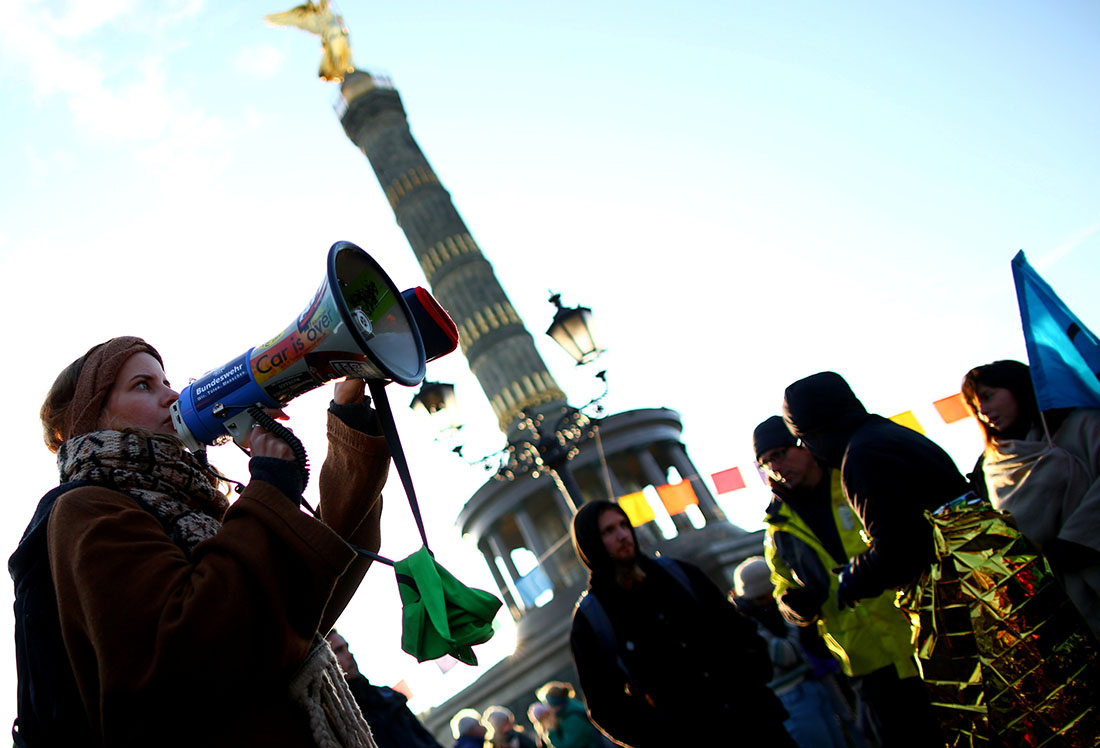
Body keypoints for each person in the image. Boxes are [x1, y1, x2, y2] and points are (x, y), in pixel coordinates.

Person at [12, 336, 391, 747]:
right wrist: (269, 489)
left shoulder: (196, 507)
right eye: (143, 385)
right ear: (90, 418)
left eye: (165, 381)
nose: (171, 396)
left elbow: (304, 598)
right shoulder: (87, 509)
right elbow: (190, 654)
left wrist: (349, 413)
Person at [753, 415, 934, 747]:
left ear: (805, 445)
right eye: (765, 462)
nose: (775, 467)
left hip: (921, 640)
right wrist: (794, 607)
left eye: (780, 452)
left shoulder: (856, 480)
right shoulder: (777, 530)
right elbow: (781, 588)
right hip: (865, 665)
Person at [568, 500, 795, 748]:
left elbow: (739, 630)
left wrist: (752, 677)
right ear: (591, 543)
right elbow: (605, 706)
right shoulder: (592, 619)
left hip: (757, 725)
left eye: (624, 525)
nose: (622, 535)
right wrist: (662, 737)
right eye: (608, 531)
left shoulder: (679, 573)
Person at [782, 371, 970, 606]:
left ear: (814, 433)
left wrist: (855, 576)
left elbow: (900, 550)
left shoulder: (862, 458)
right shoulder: (885, 434)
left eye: (803, 439)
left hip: (963, 592)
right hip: (977, 569)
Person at [961, 359, 1100, 639]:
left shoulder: (1082, 423)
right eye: (976, 406)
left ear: (1017, 387)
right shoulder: (994, 465)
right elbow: (1010, 534)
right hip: (1066, 600)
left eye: (988, 397)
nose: (984, 411)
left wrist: (1072, 541)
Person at [730, 556, 855, 748]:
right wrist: (795, 623)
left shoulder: (768, 615)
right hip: (792, 697)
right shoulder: (749, 623)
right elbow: (784, 655)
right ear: (762, 593)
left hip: (811, 684)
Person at [327, 630, 443, 748]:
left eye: (347, 648)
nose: (350, 655)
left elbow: (425, 737)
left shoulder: (388, 696)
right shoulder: (339, 721)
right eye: (339, 651)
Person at [534, 681, 603, 748]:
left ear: (556, 706)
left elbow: (568, 745)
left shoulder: (573, 718)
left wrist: (552, 731)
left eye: (548, 705)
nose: (547, 709)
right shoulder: (568, 710)